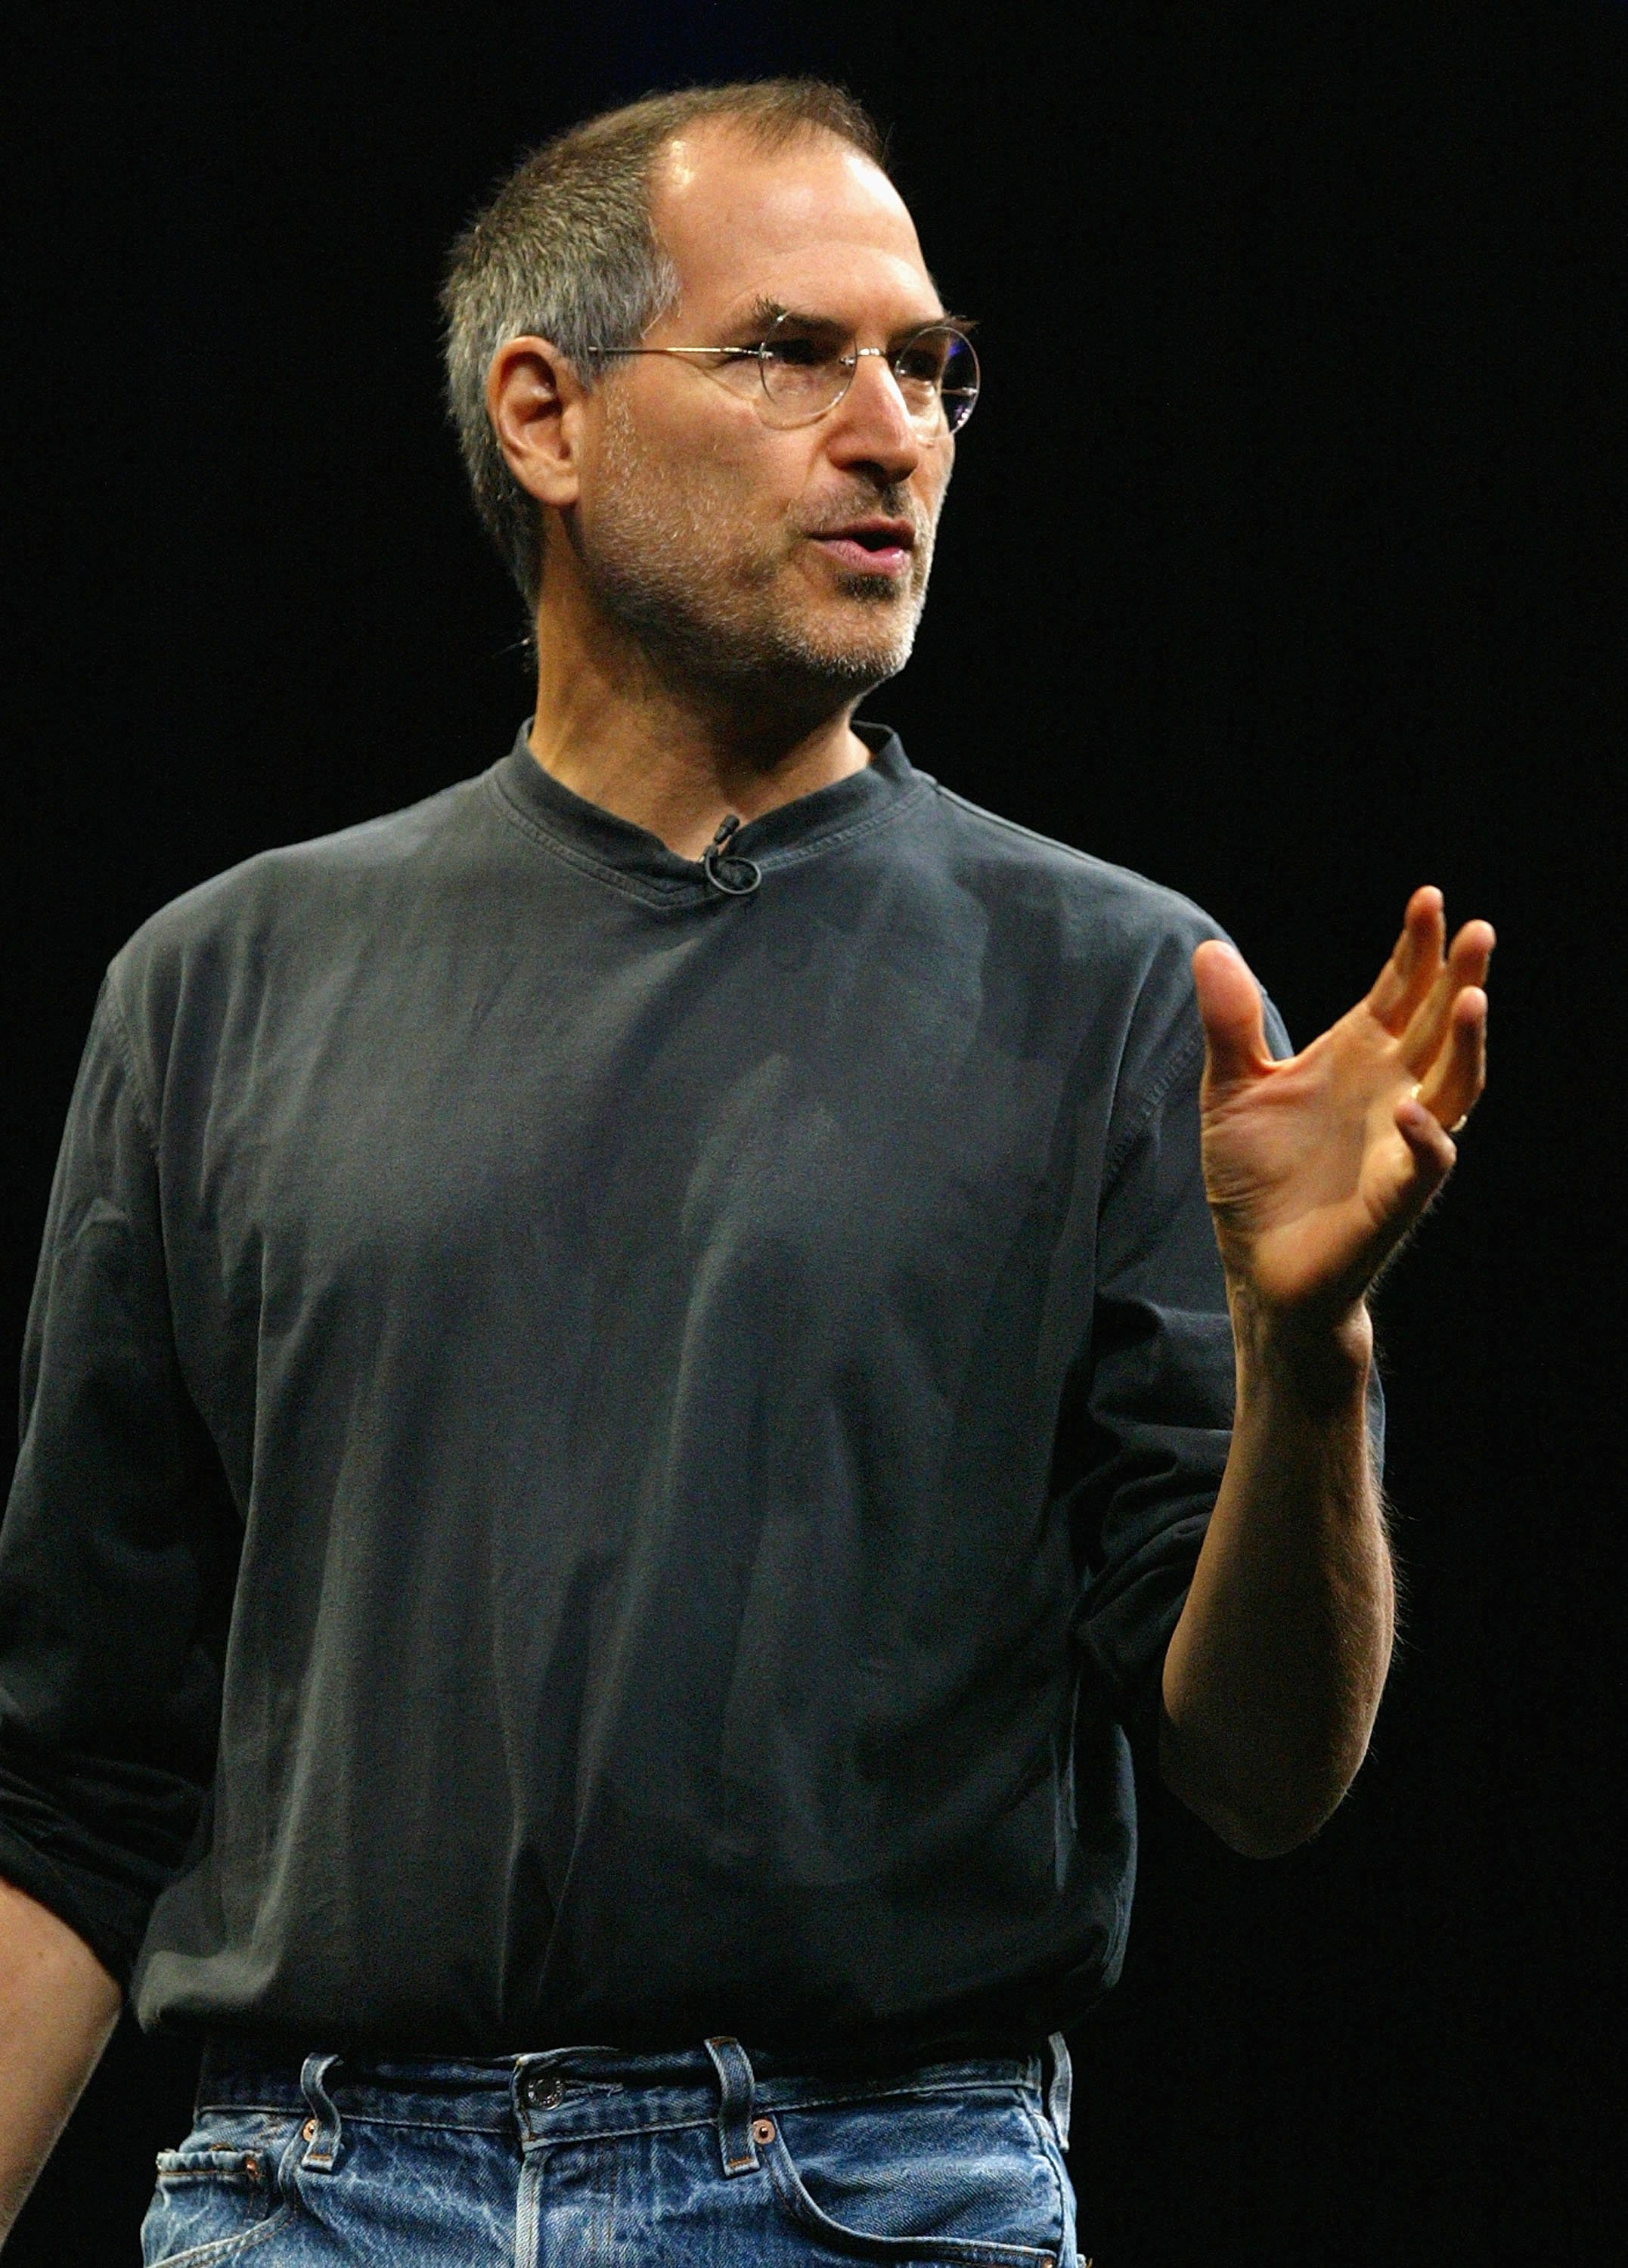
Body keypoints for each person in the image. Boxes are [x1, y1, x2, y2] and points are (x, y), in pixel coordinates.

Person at [0, 76, 1490, 2263]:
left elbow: (1264, 1768)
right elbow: (71, 1784)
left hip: (867, 2190)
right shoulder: (219, 985)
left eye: (932, 366)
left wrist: (1309, 1354)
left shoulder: (1113, 987)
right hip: (309, 2201)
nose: (897, 433)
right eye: (795, 352)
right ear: (546, 416)